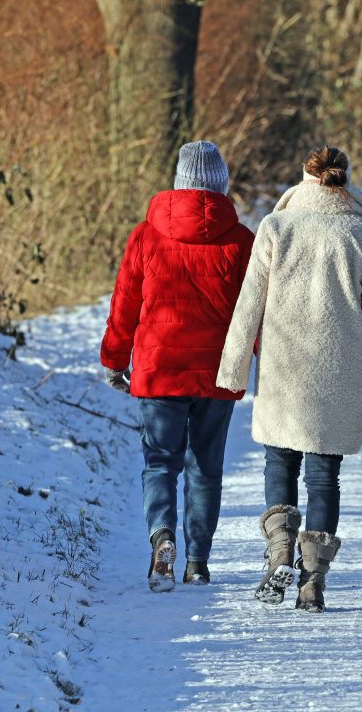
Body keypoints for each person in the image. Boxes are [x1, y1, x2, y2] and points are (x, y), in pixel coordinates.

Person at [217, 146, 362, 613]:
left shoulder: (276, 228)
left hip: (283, 367)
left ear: (304, 179)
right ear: (344, 182)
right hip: (340, 374)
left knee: (279, 463)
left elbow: (248, 306)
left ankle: (279, 549)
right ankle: (312, 580)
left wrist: (233, 369)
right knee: (324, 477)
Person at [101, 140, 255, 592]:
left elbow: (125, 304)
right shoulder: (242, 240)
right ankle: (198, 563)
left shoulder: (145, 235)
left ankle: (162, 537)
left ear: (178, 182)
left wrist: (113, 358)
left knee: (160, 463)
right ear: (221, 185)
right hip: (217, 371)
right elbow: (255, 310)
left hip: (160, 368)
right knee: (206, 468)